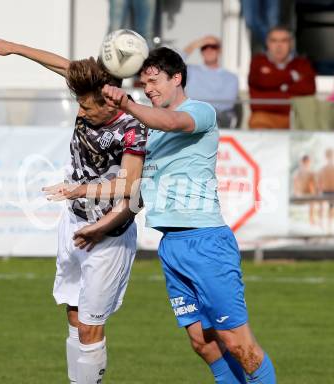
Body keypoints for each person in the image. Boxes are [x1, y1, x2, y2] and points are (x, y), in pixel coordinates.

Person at [98, 47, 277, 383]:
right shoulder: (147, 127)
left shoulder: (199, 111)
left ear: (176, 78)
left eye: (154, 81)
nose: (148, 88)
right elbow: (131, 185)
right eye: (143, 83)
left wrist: (127, 104)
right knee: (203, 343)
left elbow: (172, 121)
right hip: (172, 246)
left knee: (238, 344)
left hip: (205, 242)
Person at [0, 38, 147, 384]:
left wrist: (81, 190)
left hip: (108, 234)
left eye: (87, 109)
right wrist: (14, 48)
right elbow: (61, 64)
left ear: (109, 103)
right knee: (74, 315)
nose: (81, 113)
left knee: (90, 326)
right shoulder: (91, 92)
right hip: (74, 222)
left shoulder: (132, 125)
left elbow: (131, 185)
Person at [248, 26, 316, 129]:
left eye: (284, 41)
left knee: (311, 127)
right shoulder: (258, 62)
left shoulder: (302, 64)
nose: (279, 45)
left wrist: (276, 85)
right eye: (274, 41)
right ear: (267, 43)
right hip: (264, 116)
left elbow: (309, 88)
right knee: (258, 124)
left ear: (291, 44)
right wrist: (292, 76)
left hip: (297, 117)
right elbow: (260, 87)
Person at [183, 35, 239, 128]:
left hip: (217, 118)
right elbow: (171, 62)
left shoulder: (231, 77)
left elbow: (227, 104)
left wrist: (200, 103)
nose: (209, 50)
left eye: (213, 47)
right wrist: (194, 45)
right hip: (192, 116)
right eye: (204, 47)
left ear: (219, 50)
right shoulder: (191, 70)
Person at [293, 155, 318, 225]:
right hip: (306, 195)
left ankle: (311, 220)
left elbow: (295, 185)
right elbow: (313, 186)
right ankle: (312, 220)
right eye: (309, 161)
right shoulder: (310, 172)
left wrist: (296, 193)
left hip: (300, 194)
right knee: (313, 198)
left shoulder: (297, 172)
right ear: (307, 162)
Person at [318, 148, 334, 233]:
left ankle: (325, 227)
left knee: (327, 209)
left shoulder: (322, 169)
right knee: (330, 210)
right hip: (330, 192)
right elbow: (319, 183)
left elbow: (319, 183)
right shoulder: (322, 169)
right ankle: (328, 227)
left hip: (325, 192)